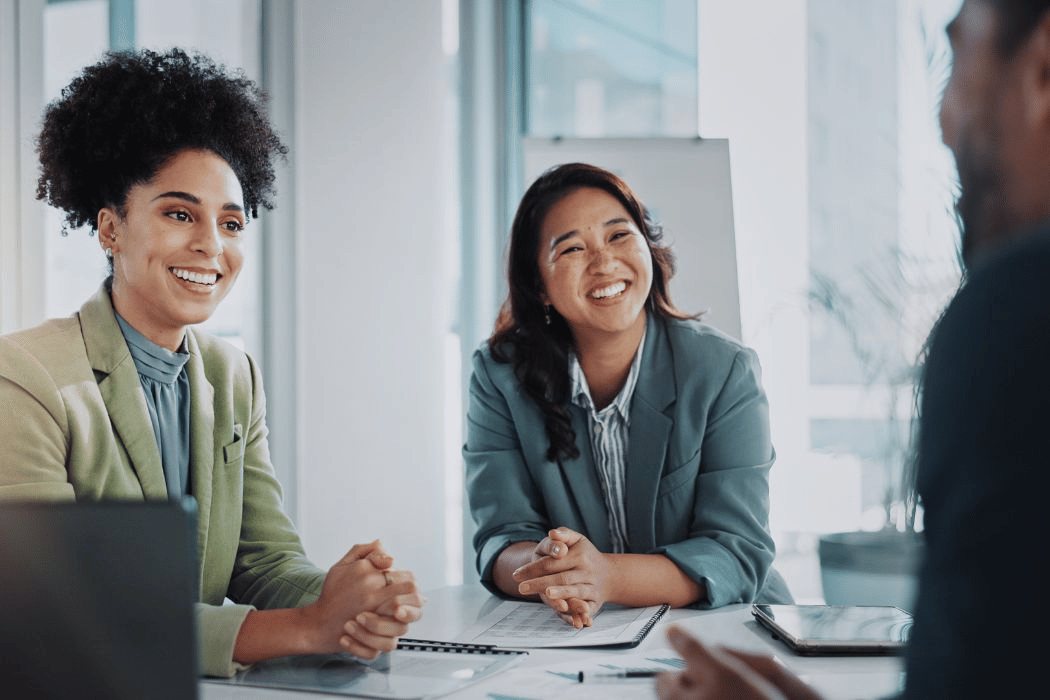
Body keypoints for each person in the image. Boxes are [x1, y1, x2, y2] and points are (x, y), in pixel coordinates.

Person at [655, 0, 1050, 698]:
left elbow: (738, 549)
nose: (944, 122)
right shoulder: (505, 377)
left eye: (957, 62)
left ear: (1042, 67)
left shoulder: (1018, 315)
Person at [0, 48, 424, 678]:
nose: (211, 245)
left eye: (231, 222)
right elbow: (66, 612)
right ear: (110, 228)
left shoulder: (231, 378)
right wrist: (308, 627)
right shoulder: (27, 377)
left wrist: (351, 604)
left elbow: (264, 561)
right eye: (179, 214)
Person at [464, 162, 791, 629]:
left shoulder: (723, 370)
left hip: (725, 626)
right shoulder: (498, 376)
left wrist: (604, 577)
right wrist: (551, 570)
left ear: (648, 249)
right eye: (573, 248)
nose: (604, 262)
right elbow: (500, 538)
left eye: (619, 236)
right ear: (540, 287)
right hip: (571, 633)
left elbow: (735, 553)